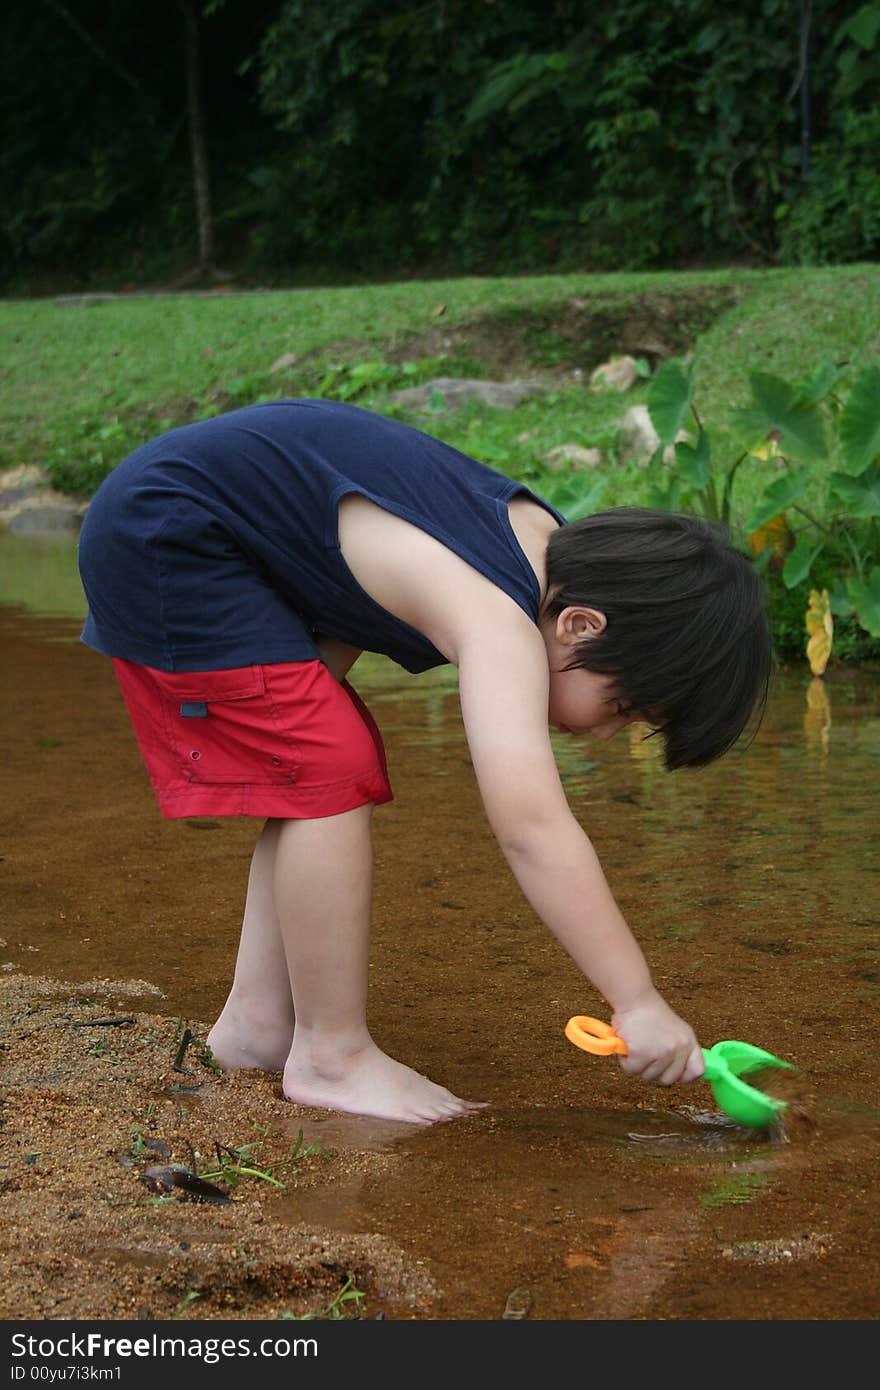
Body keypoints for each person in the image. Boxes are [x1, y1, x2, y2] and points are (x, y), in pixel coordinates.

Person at [77, 397, 771, 1124]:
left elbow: (334, 554)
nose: (606, 736)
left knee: (315, 760)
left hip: (195, 524)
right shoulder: (500, 617)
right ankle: (332, 1057)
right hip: (170, 534)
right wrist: (637, 999)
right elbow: (532, 829)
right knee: (325, 765)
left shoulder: (537, 546)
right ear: (580, 627)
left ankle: (258, 1027)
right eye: (624, 709)